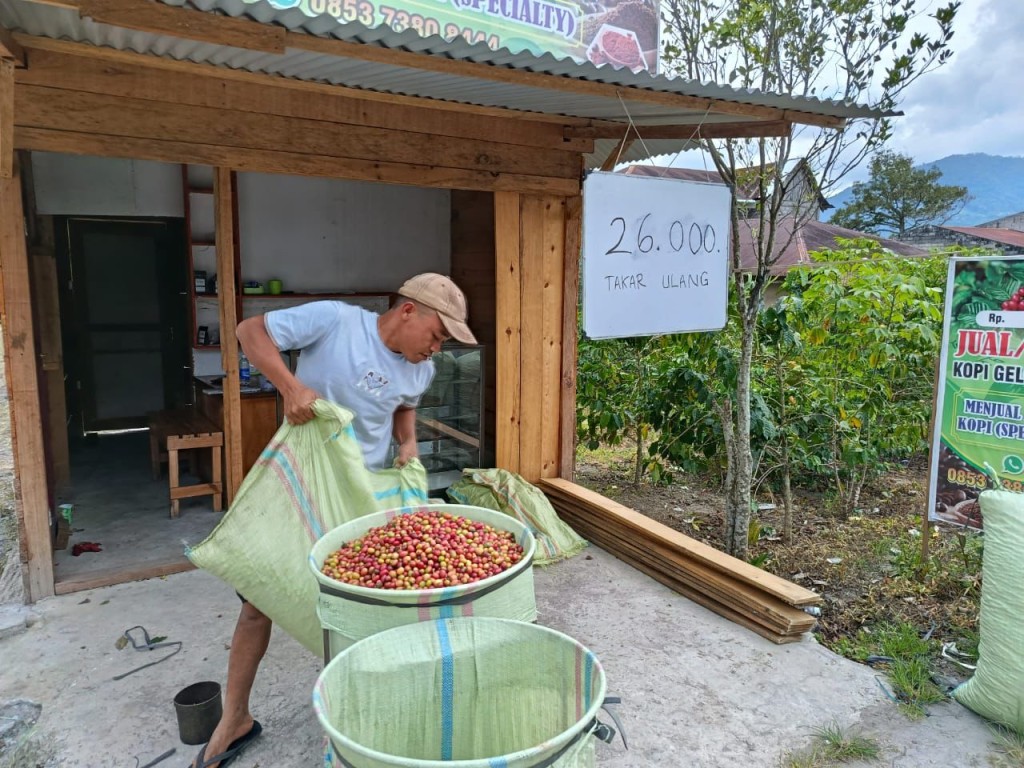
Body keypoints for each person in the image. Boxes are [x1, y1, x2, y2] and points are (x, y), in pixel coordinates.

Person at [190, 273, 477, 768]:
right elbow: (248, 332)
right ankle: (233, 718)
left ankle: (367, 717)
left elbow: (403, 405)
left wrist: (407, 444)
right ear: (408, 311)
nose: (437, 346)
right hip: (302, 485)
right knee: (258, 600)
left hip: (360, 499)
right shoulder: (336, 320)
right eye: (437, 333)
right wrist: (291, 387)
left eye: (446, 341)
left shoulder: (421, 370)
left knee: (364, 609)